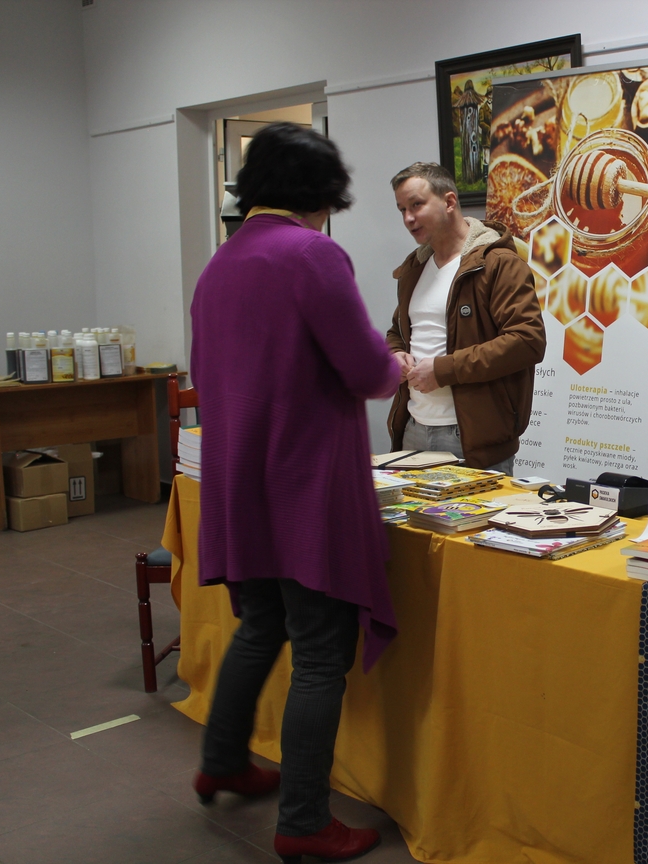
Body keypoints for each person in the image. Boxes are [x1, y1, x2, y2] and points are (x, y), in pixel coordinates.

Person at [189, 122, 401, 863]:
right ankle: (305, 820)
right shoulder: (311, 254)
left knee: (260, 626)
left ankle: (222, 760)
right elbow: (366, 370)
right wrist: (399, 365)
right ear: (319, 193)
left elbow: (211, 375)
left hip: (239, 482)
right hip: (303, 485)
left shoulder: (219, 266)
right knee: (319, 652)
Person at [387, 162, 545, 473]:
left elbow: (527, 341)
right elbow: (398, 332)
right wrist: (394, 354)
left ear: (449, 202)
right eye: (402, 209)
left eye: (416, 205)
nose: (408, 218)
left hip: (472, 438)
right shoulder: (414, 268)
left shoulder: (498, 263)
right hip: (413, 429)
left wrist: (444, 370)